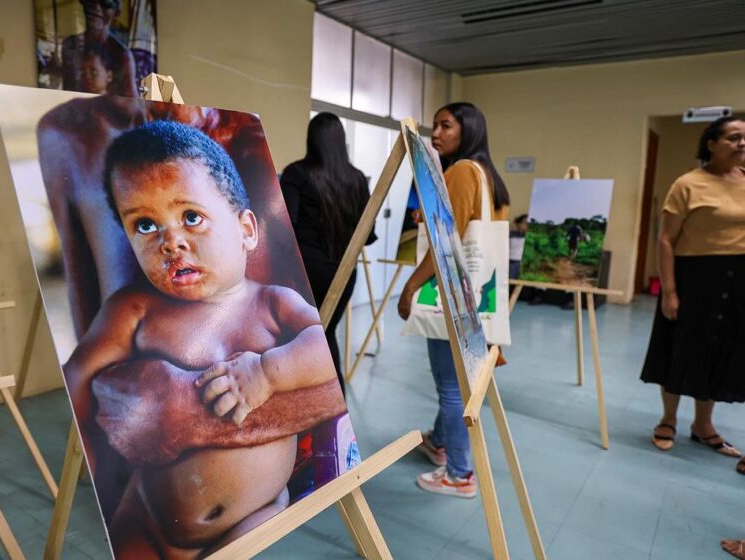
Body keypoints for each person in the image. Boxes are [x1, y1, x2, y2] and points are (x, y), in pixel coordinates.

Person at [37, 96, 348, 525]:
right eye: (145, 225)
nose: (171, 242)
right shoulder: (132, 308)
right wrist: (94, 463)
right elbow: (79, 376)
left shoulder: (272, 302)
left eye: (191, 217)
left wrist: (267, 373)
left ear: (246, 230)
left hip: (249, 519)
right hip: (147, 516)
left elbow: (320, 350)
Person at [397, 102, 510, 498]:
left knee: (451, 387)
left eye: (447, 126)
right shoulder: (489, 177)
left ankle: (459, 474)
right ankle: (441, 442)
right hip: (481, 297)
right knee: (461, 381)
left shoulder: (461, 172)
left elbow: (447, 245)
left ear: (469, 130)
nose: (437, 134)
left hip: (453, 299)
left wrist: (411, 286)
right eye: (436, 126)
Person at [641, 116, 745, 457]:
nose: (741, 143)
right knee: (680, 346)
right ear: (711, 143)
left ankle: (704, 424)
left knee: (718, 350)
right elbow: (666, 240)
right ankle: (668, 419)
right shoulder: (688, 184)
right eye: (733, 137)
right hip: (694, 278)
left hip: (737, 278)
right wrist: (670, 292)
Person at [280, 112, 377, 394]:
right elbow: (367, 235)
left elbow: (284, 227)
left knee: (301, 339)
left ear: (311, 139)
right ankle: (336, 410)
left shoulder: (297, 174)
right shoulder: (357, 179)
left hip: (306, 272)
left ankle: (310, 412)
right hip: (345, 272)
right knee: (326, 336)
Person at [61, 0, 136, 96]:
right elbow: (67, 91)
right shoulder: (70, 45)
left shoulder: (122, 54)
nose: (95, 8)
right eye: (91, 2)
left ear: (117, 13)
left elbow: (133, 101)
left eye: (106, 4)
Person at [509, 213, 528, 279]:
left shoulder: (530, 236)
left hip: (525, 263)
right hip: (512, 261)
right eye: (525, 223)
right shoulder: (511, 234)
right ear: (519, 224)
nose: (527, 225)